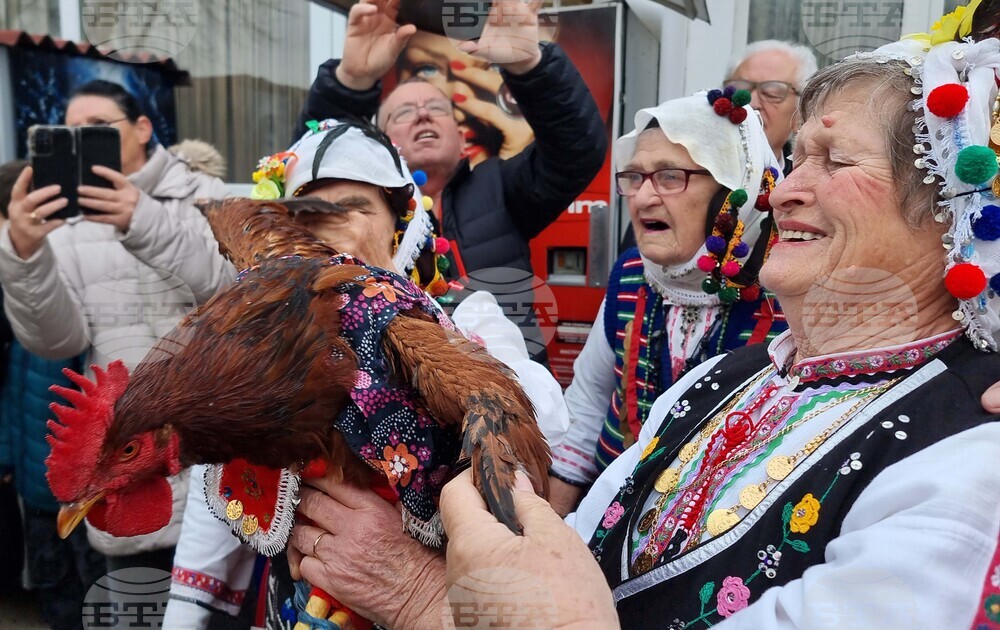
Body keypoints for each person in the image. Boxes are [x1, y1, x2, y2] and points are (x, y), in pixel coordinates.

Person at [286, 26, 1000, 629]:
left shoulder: (974, 458)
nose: (784, 191)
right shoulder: (732, 377)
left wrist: (429, 602)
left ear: (958, 214)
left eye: (836, 160)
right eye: (794, 160)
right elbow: (581, 526)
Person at [162, 117, 569, 628]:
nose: (328, 226)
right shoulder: (264, 349)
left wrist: (412, 334)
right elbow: (212, 509)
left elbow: (545, 420)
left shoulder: (465, 316)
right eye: (307, 215)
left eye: (354, 207)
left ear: (399, 226)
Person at [0, 80, 234, 574]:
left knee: (218, 588)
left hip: (216, 434)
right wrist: (24, 256)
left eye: (97, 128)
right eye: (70, 132)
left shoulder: (204, 193)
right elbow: (57, 339)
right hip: (125, 449)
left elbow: (229, 289)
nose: (82, 140)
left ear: (144, 128)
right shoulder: (63, 226)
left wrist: (142, 220)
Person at [294, 0, 606, 361]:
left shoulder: (500, 190)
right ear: (378, 142)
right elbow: (310, 177)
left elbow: (576, 150)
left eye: (437, 108)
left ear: (461, 138)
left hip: (511, 397)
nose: (423, 114)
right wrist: (351, 81)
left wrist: (529, 65)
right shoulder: (357, 210)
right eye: (404, 112)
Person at [547, 90, 788, 516]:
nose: (642, 198)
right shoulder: (629, 276)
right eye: (634, 177)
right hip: (604, 521)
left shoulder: (786, 295)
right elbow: (584, 409)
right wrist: (548, 528)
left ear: (735, 189)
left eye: (670, 176)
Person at [0, 160, 107, 630]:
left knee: (91, 583)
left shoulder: (80, 293)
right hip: (35, 481)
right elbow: (11, 391)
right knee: (53, 584)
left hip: (81, 487)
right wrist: (5, 457)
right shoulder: (27, 312)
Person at [724, 40, 817, 170]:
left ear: (800, 115)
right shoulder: (694, 170)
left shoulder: (805, 181)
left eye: (771, 93)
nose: (751, 103)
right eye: (740, 89)